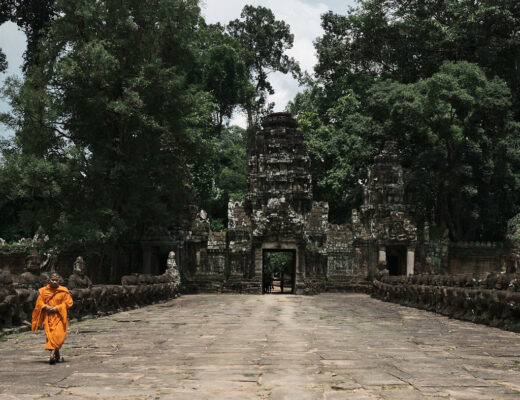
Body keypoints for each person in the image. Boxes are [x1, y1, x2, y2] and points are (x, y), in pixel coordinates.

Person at [32, 272, 73, 364]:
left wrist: (57, 308)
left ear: (59, 281)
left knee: (58, 336)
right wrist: (46, 307)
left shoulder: (64, 290)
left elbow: (69, 302)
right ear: (49, 280)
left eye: (56, 280)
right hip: (48, 317)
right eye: (52, 280)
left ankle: (55, 353)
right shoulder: (43, 291)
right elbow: (39, 303)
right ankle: (53, 355)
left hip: (60, 316)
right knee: (50, 336)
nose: (54, 282)